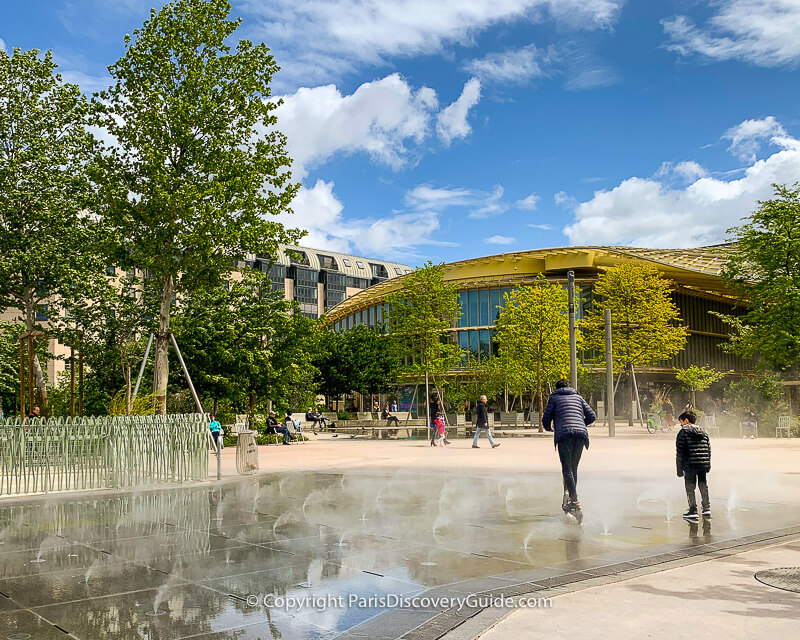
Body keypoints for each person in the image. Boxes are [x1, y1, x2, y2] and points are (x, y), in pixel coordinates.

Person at [542, 379, 595, 518]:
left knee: (567, 469)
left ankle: (575, 501)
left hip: (564, 435)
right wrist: (581, 424)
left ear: (557, 388)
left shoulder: (554, 398)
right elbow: (592, 416)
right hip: (580, 435)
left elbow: (546, 418)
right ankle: (571, 498)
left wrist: (549, 428)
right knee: (573, 468)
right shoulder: (578, 397)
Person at [676, 410, 711, 520]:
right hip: (702, 464)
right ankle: (706, 508)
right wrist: (707, 464)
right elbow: (708, 449)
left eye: (681, 421)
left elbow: (680, 452)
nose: (681, 424)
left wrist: (679, 469)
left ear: (686, 420)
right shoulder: (704, 432)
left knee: (690, 488)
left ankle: (693, 510)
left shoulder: (683, 433)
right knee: (703, 486)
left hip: (689, 464)